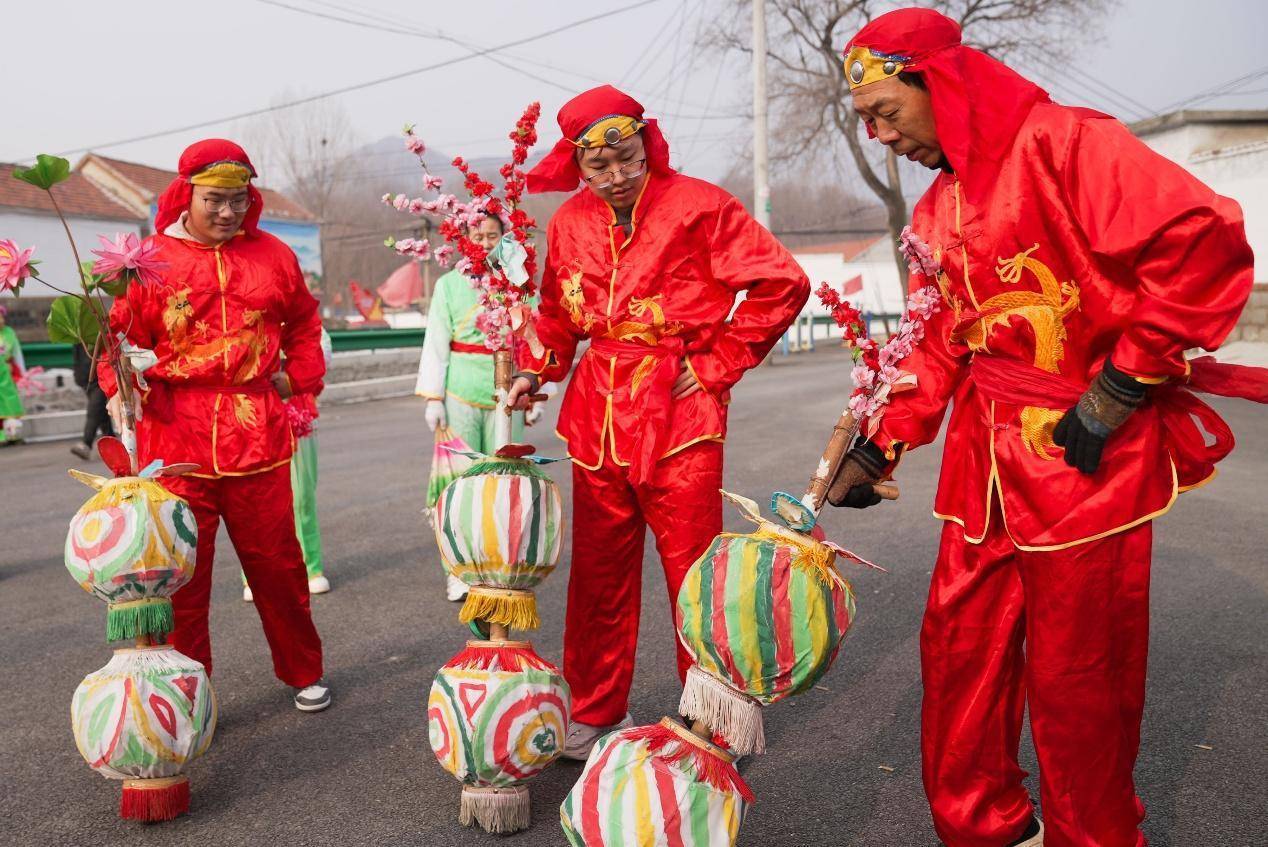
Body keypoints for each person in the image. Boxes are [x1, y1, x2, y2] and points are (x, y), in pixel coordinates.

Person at [829, 9, 1259, 847]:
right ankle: (983, 827)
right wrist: (882, 440)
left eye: (886, 111)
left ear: (938, 84)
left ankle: (1092, 834)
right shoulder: (938, 208)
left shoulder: (1067, 144)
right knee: (958, 650)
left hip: (1082, 454)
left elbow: (1201, 239)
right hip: (980, 468)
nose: (880, 136)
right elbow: (940, 339)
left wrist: (1124, 380)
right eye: (868, 120)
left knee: (1078, 673)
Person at [506, 85, 809, 759]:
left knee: (694, 573)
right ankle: (593, 708)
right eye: (599, 167)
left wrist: (719, 360)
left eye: (629, 159)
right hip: (598, 413)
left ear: (649, 145)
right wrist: (534, 369)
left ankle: (711, 712)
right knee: (597, 577)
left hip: (680, 413)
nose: (617, 176)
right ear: (578, 166)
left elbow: (782, 283)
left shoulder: (700, 206)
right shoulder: (569, 224)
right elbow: (556, 317)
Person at [100, 138, 331, 713]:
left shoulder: (274, 256)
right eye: (215, 200)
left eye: (238, 200)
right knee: (181, 576)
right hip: (174, 438)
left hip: (257, 433)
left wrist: (296, 378)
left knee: (279, 566)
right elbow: (119, 339)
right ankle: (188, 688)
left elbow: (305, 323)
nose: (228, 212)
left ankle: (303, 670)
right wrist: (120, 391)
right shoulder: (149, 261)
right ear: (187, 195)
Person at [415, 215, 547, 602]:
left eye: (493, 235)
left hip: (508, 392)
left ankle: (501, 563)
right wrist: (434, 397)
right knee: (460, 483)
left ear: (505, 238)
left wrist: (537, 389)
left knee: (506, 480)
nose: (486, 242)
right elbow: (436, 340)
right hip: (461, 389)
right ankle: (458, 569)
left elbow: (536, 337)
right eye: (478, 235)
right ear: (465, 239)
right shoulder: (448, 284)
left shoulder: (518, 283)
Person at [243, 327, 333, 602]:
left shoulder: (300, 318)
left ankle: (310, 568)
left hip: (297, 412)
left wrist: (292, 374)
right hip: (252, 412)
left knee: (302, 497)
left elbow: (320, 348)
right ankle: (255, 575)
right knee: (253, 500)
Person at [71, 342, 114, 460]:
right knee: (101, 413)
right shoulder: (78, 337)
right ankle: (112, 443)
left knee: (94, 410)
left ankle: (86, 443)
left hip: (101, 377)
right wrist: (78, 377)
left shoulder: (97, 334)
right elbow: (77, 357)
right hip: (86, 379)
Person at [0, 304, 27, 445]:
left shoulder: (9, 332)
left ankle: (14, 435)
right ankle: (1, 436)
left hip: (7, 373)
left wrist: (22, 373)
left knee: (11, 403)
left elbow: (16, 353)